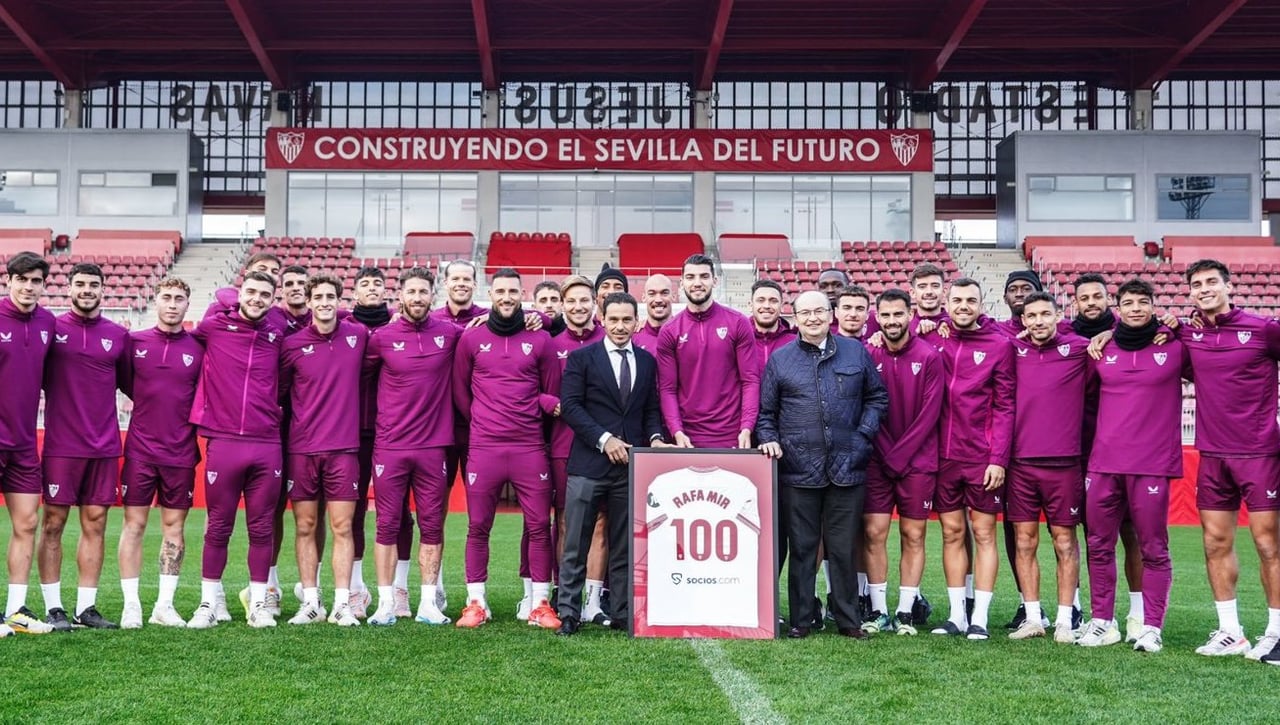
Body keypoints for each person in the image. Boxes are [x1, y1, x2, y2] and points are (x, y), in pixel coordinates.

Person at [758, 290, 887, 639]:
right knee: (801, 548)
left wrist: (863, 437)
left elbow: (877, 398)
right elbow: (766, 415)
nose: (813, 318)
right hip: (798, 470)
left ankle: (848, 620)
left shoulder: (854, 351)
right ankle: (802, 619)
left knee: (843, 547)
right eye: (805, 313)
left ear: (830, 314)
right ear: (795, 317)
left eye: (819, 311)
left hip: (848, 466)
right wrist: (770, 439)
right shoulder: (781, 360)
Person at [1176, 260, 1280, 662]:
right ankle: (1230, 631)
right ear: (1189, 292)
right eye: (1197, 284)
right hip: (1213, 454)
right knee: (1215, 542)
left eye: (1211, 282)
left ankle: (1275, 631)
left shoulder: (1263, 329)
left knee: (1268, 544)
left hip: (1259, 454)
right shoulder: (1190, 334)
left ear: (1228, 285)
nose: (1204, 288)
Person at [1078, 278, 1190, 653]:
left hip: (1152, 464)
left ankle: (1151, 627)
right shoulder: (1101, 349)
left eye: (1144, 302)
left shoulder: (1175, 347)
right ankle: (1101, 622)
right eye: (1129, 303)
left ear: (1154, 306)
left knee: (1153, 547)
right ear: (1118, 307)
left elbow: (1207, 351)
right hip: (1104, 463)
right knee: (1098, 543)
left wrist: (1180, 325)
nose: (1136, 308)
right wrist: (1102, 336)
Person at [452, 268, 561, 630]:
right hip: (485, 447)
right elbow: (461, 393)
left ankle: (540, 603)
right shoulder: (471, 338)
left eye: (513, 291)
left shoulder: (540, 339)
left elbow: (550, 391)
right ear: (491, 293)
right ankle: (475, 603)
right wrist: (486, 421)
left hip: (530, 447)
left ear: (521, 294)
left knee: (538, 526)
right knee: (478, 525)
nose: (507, 297)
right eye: (500, 291)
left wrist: (526, 418)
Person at [555, 292, 666, 635]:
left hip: (630, 467)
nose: (620, 326)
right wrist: (605, 440)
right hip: (588, 464)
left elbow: (649, 411)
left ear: (636, 322)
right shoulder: (581, 358)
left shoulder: (647, 362)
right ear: (602, 320)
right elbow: (571, 407)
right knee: (576, 542)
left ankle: (620, 611)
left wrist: (658, 438)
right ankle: (569, 614)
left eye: (626, 320)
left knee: (624, 543)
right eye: (613, 319)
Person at [186, 271, 286, 629]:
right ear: (240, 293)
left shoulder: (279, 332)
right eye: (250, 292)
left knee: (262, 528)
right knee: (218, 527)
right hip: (224, 440)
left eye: (264, 294)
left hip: (266, 443)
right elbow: (220, 294)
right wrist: (230, 299)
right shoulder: (214, 326)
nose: (257, 299)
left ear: (274, 300)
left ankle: (259, 604)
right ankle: (207, 605)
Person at [363, 268, 460, 626]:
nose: (417, 297)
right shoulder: (382, 338)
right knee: (387, 524)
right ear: (400, 295)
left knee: (432, 525)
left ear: (433, 296)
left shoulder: (450, 334)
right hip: (390, 446)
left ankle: (428, 603)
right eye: (411, 291)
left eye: (424, 291)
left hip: (434, 447)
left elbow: (491, 327)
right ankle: (386, 602)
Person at [38, 262, 129, 630]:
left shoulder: (118, 335)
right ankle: (53, 607)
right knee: (53, 524)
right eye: (81, 284)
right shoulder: (51, 329)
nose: (87, 290)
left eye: (94, 284)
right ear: (69, 288)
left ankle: (86, 608)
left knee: (96, 523)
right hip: (62, 444)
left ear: (103, 290)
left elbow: (132, 386)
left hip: (105, 446)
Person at [116, 278, 205, 629]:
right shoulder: (134, 343)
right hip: (140, 450)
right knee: (133, 525)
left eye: (179, 299)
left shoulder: (198, 348)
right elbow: (126, 383)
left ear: (187, 304)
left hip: (181, 452)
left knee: (174, 528)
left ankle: (164, 606)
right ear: (155, 301)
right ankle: (132, 606)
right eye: (166, 297)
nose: (172, 304)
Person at [279, 275, 366, 626]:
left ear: (339, 301)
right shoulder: (292, 345)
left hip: (344, 449)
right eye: (319, 296)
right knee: (305, 526)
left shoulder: (358, 336)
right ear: (309, 301)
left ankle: (342, 604)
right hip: (302, 449)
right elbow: (281, 394)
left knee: (342, 527)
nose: (325, 302)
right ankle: (311, 602)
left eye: (331, 296)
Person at [930, 278, 1014, 641]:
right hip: (942, 459)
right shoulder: (934, 339)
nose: (964, 305)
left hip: (981, 458)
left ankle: (980, 616)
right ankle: (956, 615)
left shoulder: (998, 345)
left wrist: (998, 458)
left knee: (983, 534)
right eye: (958, 299)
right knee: (951, 533)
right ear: (947, 303)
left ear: (982, 304)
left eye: (971, 300)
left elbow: (1006, 405)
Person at [1006, 292, 1089, 643]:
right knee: (1024, 542)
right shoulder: (1011, 349)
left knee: (1065, 541)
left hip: (1065, 463)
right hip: (1020, 464)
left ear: (1059, 316)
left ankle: (1066, 621)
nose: (1038, 321)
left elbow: (1114, 338)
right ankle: (1033, 617)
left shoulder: (1081, 349)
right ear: (1022, 320)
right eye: (1031, 316)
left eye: (1045, 314)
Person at [522, 275, 604, 622]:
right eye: (571, 301)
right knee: (565, 522)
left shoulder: (609, 338)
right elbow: (529, 386)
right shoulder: (549, 343)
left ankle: (593, 600)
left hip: (602, 445)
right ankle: (560, 590)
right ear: (563, 305)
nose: (578, 306)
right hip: (560, 445)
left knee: (601, 523)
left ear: (595, 303)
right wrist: (549, 402)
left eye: (584, 300)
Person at [863, 289, 943, 635]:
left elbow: (929, 415)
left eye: (899, 314)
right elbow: (865, 407)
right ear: (876, 317)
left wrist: (899, 456)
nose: (892, 321)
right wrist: (885, 453)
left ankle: (906, 611)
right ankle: (879, 611)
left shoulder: (929, 356)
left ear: (911, 315)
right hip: (877, 461)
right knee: (873, 533)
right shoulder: (869, 353)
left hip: (917, 462)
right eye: (886, 315)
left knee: (914, 534)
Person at [1070, 272, 1145, 640]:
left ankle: (1138, 613)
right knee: (1093, 535)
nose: (1091, 303)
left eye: (1097, 296)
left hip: (1129, 448)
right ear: (1076, 303)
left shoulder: (1133, 332)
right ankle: (1096, 614)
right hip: (1083, 450)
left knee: (1133, 533)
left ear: (1107, 300)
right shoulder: (1065, 337)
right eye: (1084, 298)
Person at [347, 266, 411, 619]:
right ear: (354, 292)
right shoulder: (344, 326)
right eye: (364, 284)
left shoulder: (399, 325)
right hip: (352, 431)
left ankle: (400, 588)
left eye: (377, 283)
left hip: (395, 432)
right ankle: (356, 589)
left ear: (388, 291)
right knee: (352, 509)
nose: (372, 288)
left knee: (399, 512)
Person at [1, 252, 56, 636]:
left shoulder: (47, 322)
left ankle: (16, 609)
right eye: (22, 280)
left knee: (28, 522)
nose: (28, 287)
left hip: (22, 441)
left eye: (35, 281)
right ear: (9, 282)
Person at [657, 254, 760, 449]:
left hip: (732, 436)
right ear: (681, 283)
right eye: (690, 277)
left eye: (704, 276)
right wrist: (676, 431)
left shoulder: (738, 323)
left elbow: (750, 380)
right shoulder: (669, 331)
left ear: (715, 281)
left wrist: (746, 427)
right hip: (687, 439)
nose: (697, 283)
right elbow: (667, 389)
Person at [749, 279, 795, 373]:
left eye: (773, 301)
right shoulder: (738, 340)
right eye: (760, 300)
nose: (766, 306)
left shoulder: (795, 343)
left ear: (782, 306)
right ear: (751, 305)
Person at [633, 273, 675, 353]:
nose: (658, 300)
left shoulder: (683, 333)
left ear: (673, 296)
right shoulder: (633, 337)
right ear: (644, 297)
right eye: (652, 294)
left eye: (664, 293)